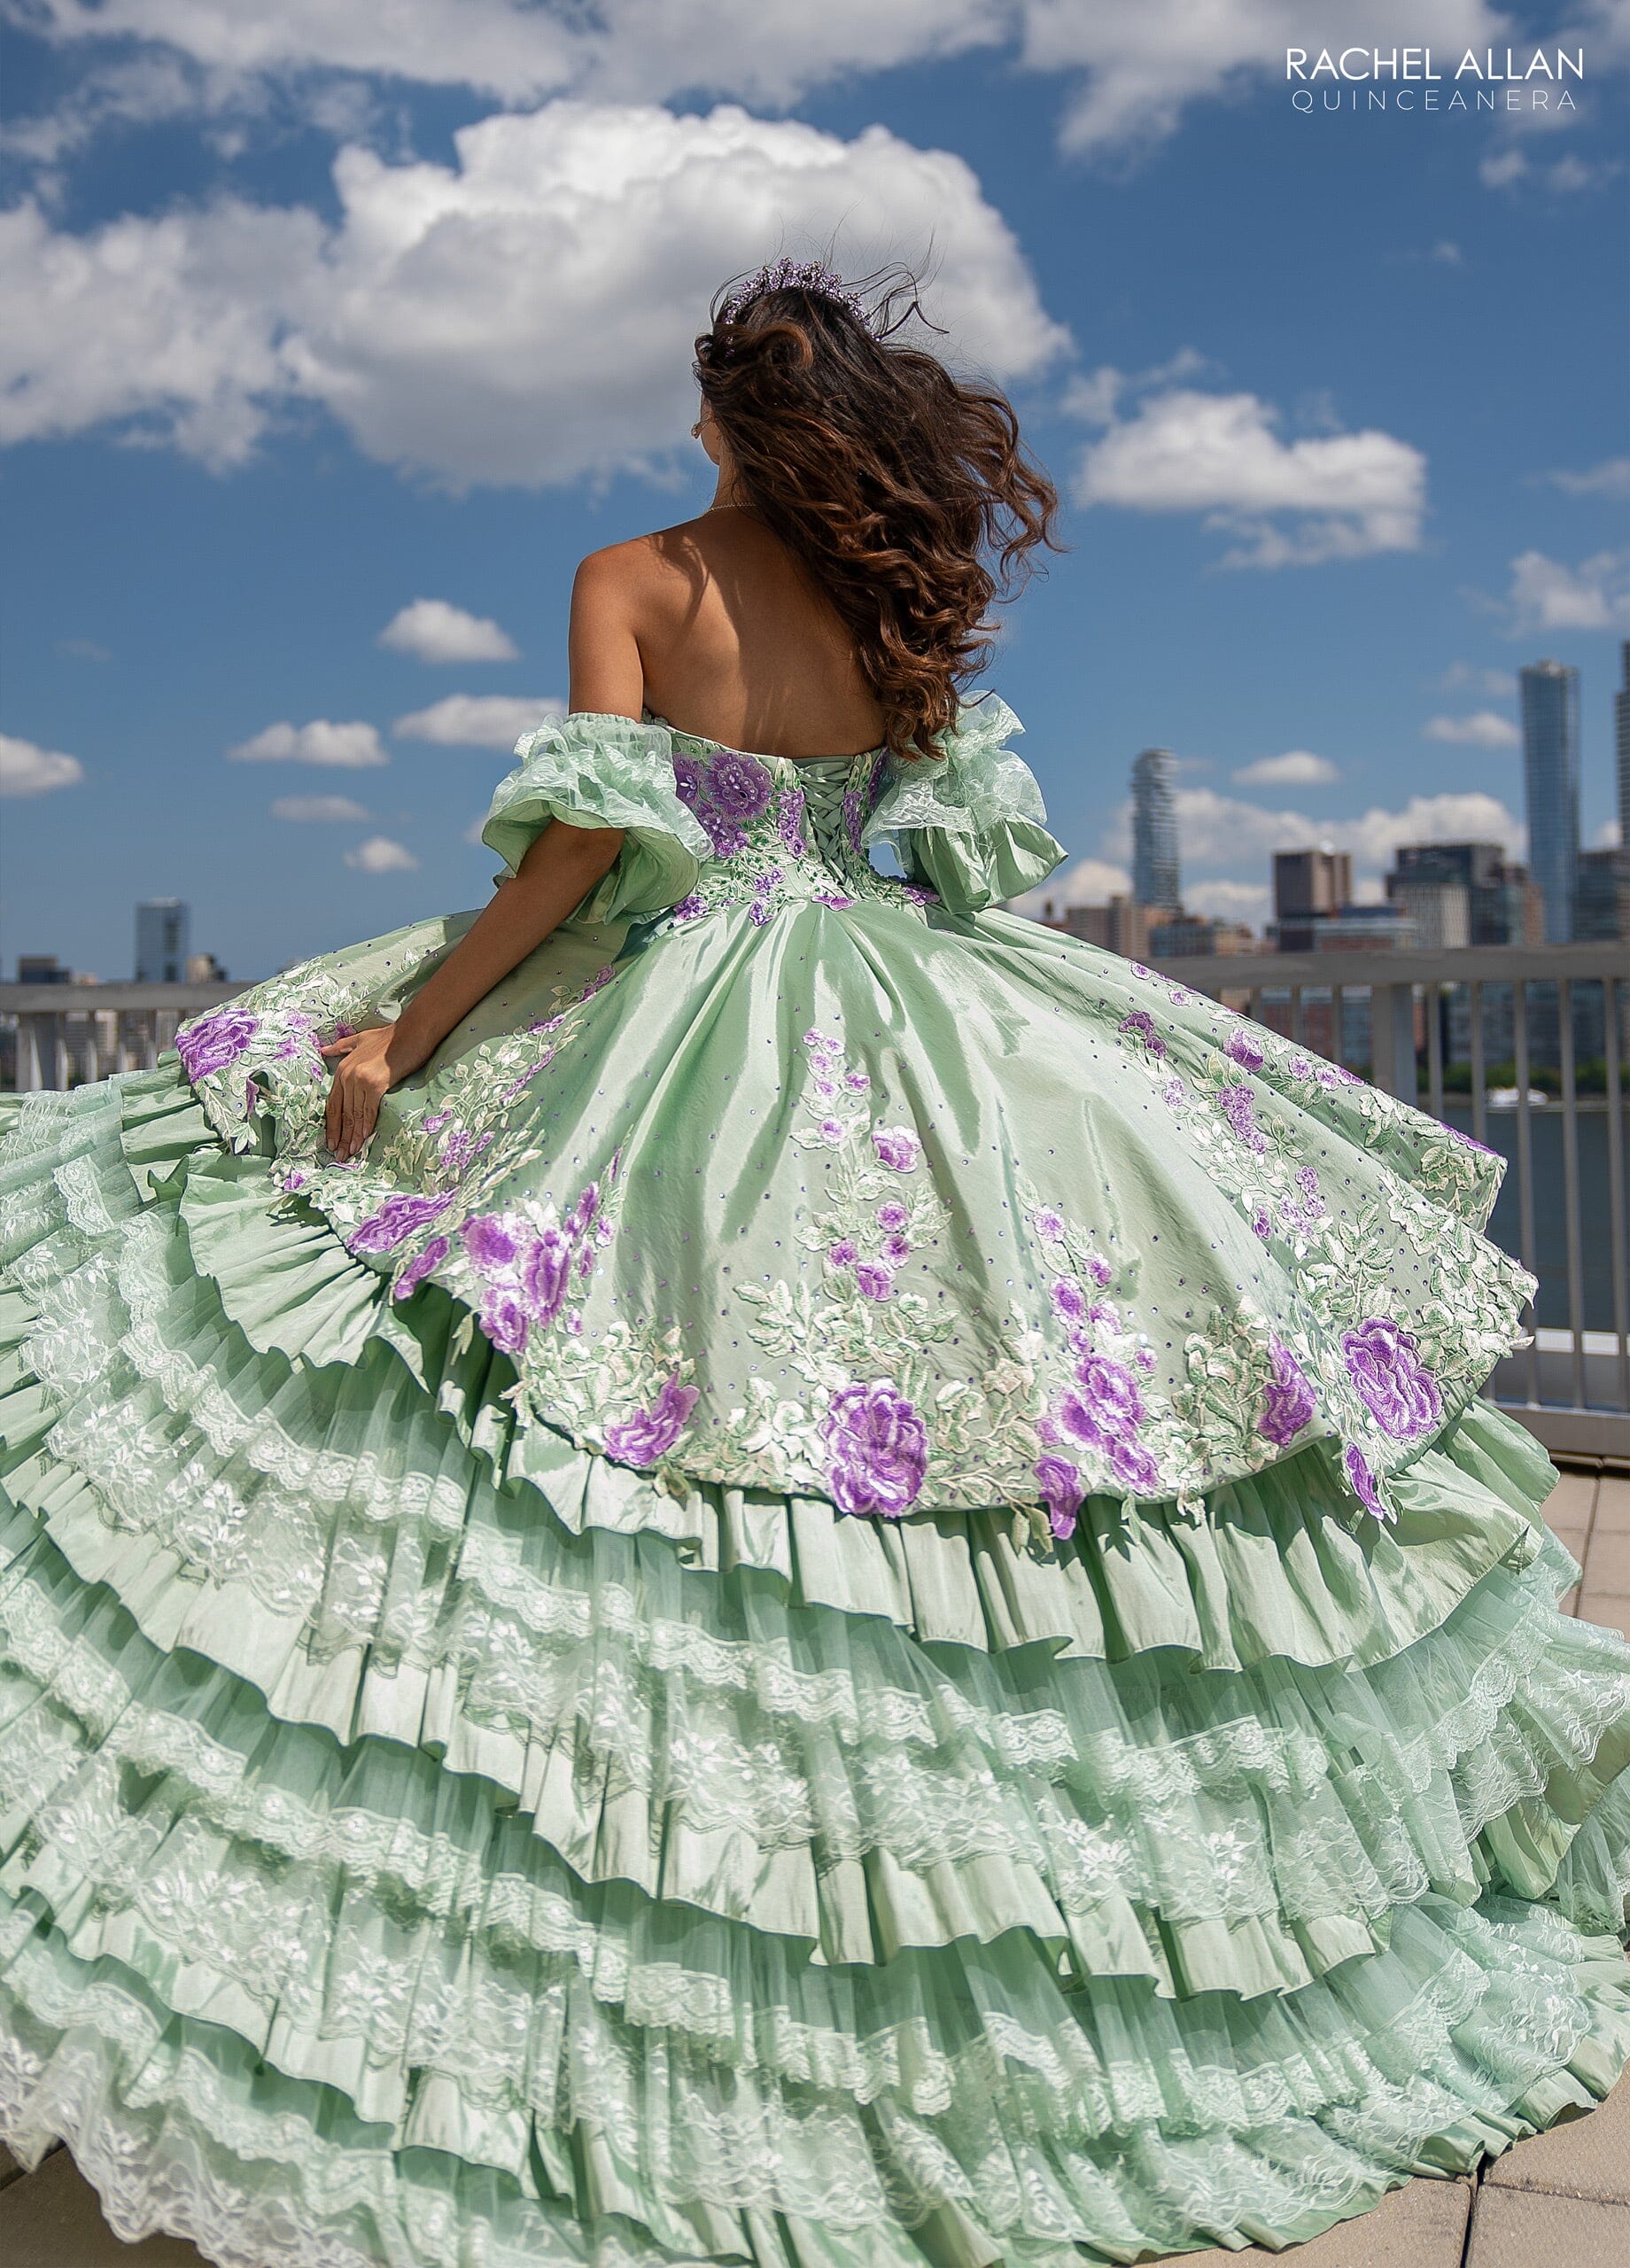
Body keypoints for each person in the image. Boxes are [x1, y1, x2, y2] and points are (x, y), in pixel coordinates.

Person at [1, 259, 1626, 2268]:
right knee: (959, 1392)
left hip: (687, 996)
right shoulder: (888, 593)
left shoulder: (637, 574)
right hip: (895, 996)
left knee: (572, 1373)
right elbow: (941, 855)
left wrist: (400, 1036)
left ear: (720, 416)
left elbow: (585, 855)